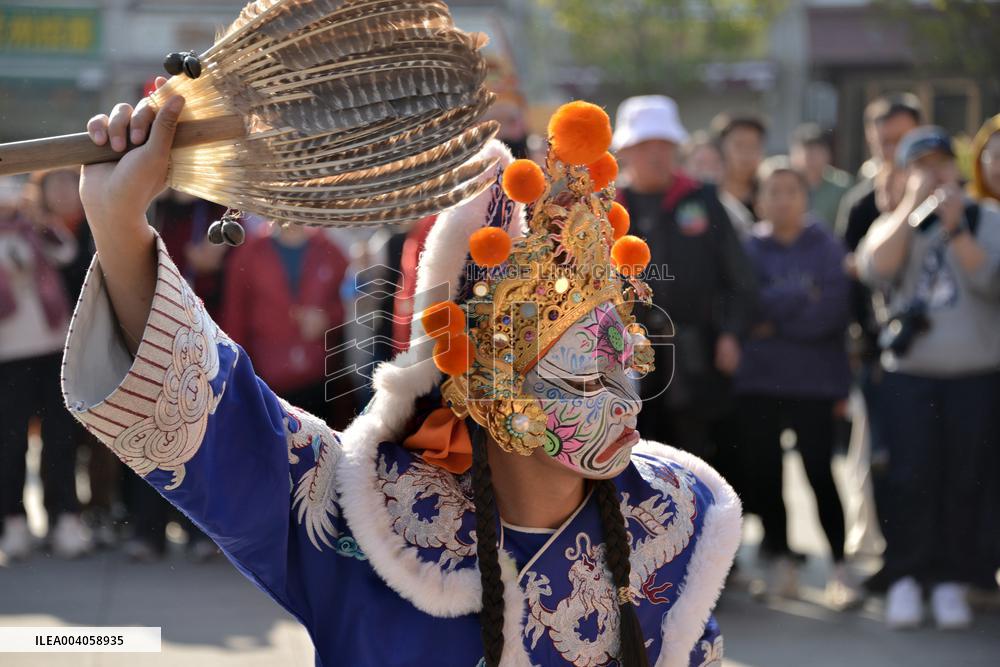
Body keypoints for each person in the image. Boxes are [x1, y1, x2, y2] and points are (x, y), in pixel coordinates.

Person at [62, 87, 741, 665]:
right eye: (586, 373)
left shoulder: (674, 528)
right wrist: (120, 224)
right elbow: (218, 414)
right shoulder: (362, 514)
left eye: (627, 364)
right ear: (482, 382)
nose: (625, 400)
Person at [856, 126, 1000, 630]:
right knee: (908, 478)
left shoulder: (987, 218)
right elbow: (876, 268)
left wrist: (957, 227)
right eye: (921, 165)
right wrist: (907, 210)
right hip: (909, 378)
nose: (933, 174)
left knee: (965, 480)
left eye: (941, 163)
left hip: (974, 377)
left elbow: (990, 280)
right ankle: (906, 577)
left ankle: (953, 580)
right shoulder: (894, 223)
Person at [613, 96, 757, 485]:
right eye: (645, 146)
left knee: (699, 454)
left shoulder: (704, 200)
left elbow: (738, 278)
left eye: (664, 144)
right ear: (625, 150)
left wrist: (731, 332)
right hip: (621, 355)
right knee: (632, 451)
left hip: (697, 353)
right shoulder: (606, 207)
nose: (656, 154)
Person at [733, 158, 854, 606]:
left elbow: (833, 312)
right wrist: (801, 297)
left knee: (820, 472)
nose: (783, 200)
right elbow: (748, 306)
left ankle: (839, 568)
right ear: (759, 199)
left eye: (792, 191)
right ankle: (783, 562)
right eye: (773, 192)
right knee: (765, 474)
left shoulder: (826, 245)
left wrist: (776, 319)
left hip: (816, 381)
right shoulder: (748, 247)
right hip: (760, 381)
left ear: (806, 196)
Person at [835, 94, 922, 560]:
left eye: (902, 139)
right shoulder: (861, 202)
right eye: (884, 141)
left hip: (943, 353)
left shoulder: (945, 196)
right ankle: (885, 555)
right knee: (877, 459)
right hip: (877, 351)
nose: (893, 149)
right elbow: (847, 277)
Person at [0, 173, 91, 560]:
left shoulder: (35, 228)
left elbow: (67, 254)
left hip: (54, 348)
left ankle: (65, 516)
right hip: (8, 355)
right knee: (11, 442)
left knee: (60, 438)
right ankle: (13, 520)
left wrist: (39, 223)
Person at [222, 221, 351, 428]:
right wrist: (236, 378)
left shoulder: (328, 250)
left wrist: (326, 319)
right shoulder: (251, 252)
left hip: (319, 382)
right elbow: (235, 318)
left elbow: (349, 304)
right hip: (267, 384)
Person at [711, 112, 767, 238]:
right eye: (739, 145)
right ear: (721, 147)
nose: (746, 153)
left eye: (753, 146)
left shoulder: (769, 194)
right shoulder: (709, 195)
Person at [789, 123, 853, 230]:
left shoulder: (843, 185)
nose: (810, 158)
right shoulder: (785, 184)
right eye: (805, 151)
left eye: (816, 151)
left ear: (828, 153)